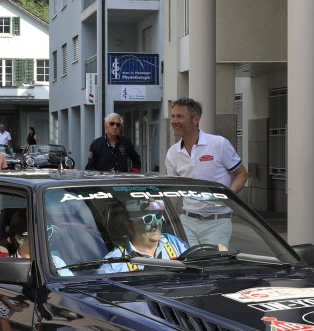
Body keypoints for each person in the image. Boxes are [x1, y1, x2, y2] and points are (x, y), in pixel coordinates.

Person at [164, 96, 248, 248]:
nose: (174, 121)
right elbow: (172, 191)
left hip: (218, 222)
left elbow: (241, 173)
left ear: (195, 119)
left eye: (180, 116)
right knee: (187, 261)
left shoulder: (219, 144)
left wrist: (227, 195)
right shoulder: (172, 153)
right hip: (187, 221)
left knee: (214, 262)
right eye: (173, 116)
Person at [98, 199, 187, 272]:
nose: (156, 224)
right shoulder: (112, 265)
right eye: (148, 219)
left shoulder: (175, 243)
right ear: (130, 226)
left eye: (158, 216)